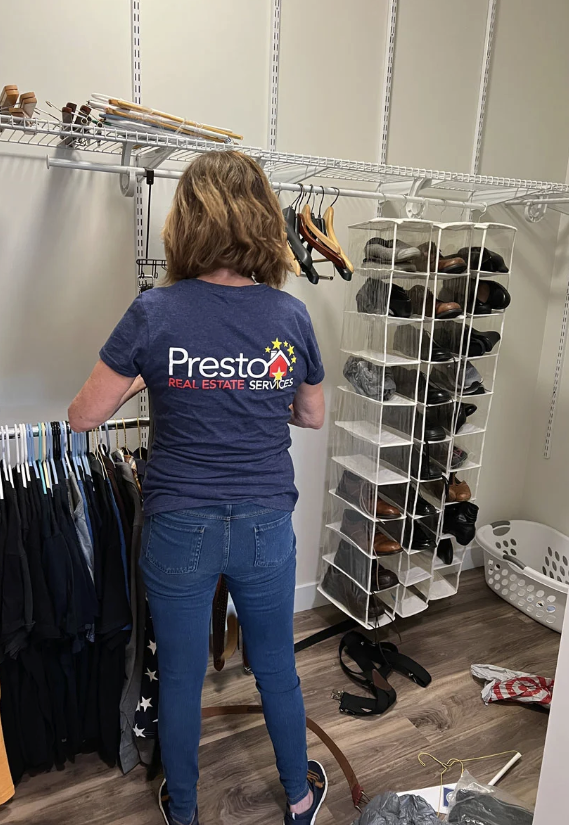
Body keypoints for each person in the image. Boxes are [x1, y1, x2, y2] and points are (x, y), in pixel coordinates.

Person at [68, 151, 326, 825]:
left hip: (179, 523)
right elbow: (311, 413)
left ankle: (181, 810)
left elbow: (83, 415)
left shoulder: (155, 312)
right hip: (266, 522)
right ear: (265, 222)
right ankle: (298, 799)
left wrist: (161, 376)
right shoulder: (290, 316)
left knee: (181, 676)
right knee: (274, 665)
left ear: (186, 223)